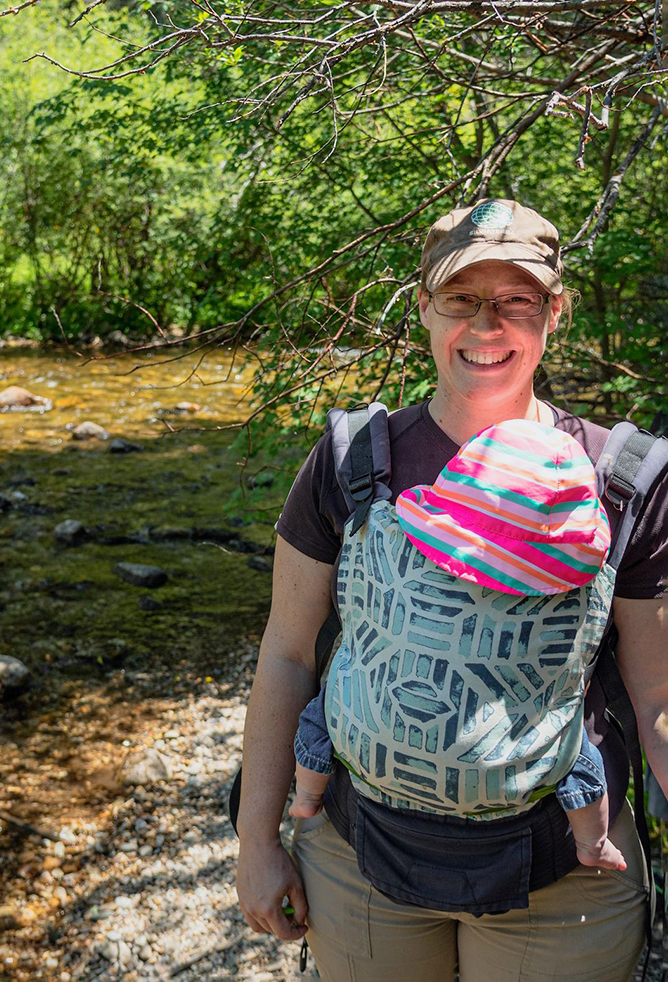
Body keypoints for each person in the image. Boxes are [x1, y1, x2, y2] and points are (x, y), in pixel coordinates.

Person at [235, 198, 668, 982]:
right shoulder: (350, 460)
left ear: (555, 312)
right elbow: (289, 653)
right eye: (462, 299)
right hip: (357, 862)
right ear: (424, 306)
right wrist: (256, 839)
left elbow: (656, 697)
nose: (487, 325)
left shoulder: (622, 483)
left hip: (567, 877)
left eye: (516, 301)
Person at [288, 418, 626, 873]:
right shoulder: (573, 581)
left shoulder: (395, 537)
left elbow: (287, 652)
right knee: (577, 756)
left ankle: (307, 795)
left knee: (326, 706)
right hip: (519, 812)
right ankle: (592, 842)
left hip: (370, 784)